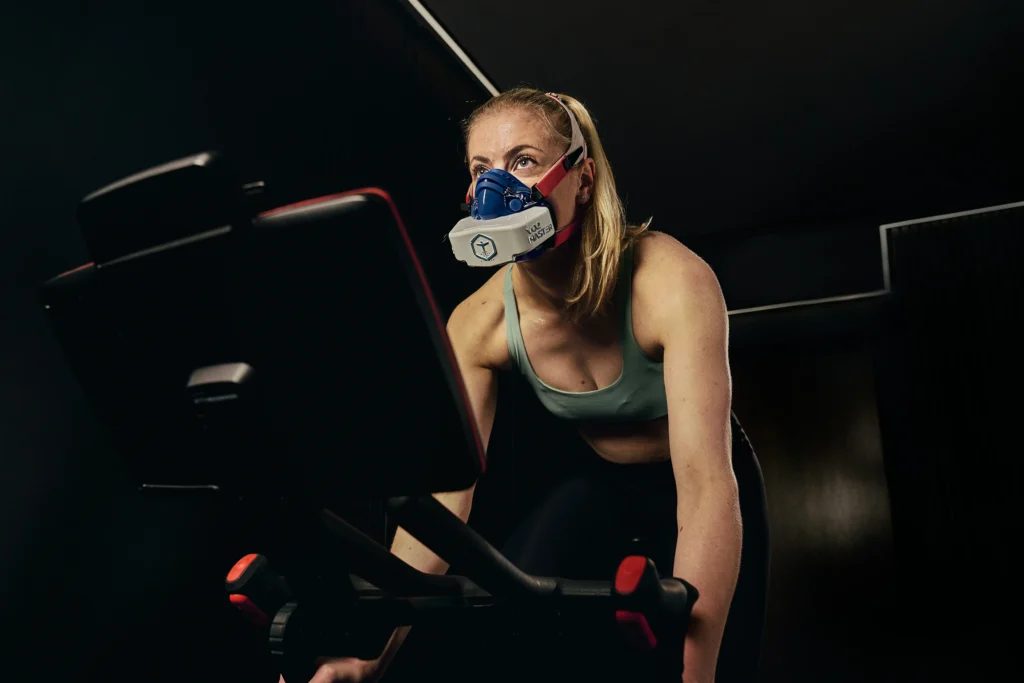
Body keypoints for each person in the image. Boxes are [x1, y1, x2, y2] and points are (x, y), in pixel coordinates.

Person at [303, 88, 752, 683]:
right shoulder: (480, 323)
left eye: (522, 161)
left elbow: (704, 488)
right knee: (521, 622)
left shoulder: (671, 283)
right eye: (480, 168)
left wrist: (694, 675)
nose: (496, 187)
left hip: (702, 483)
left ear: (581, 180)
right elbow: (444, 505)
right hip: (600, 484)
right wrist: (367, 660)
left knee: (706, 656)